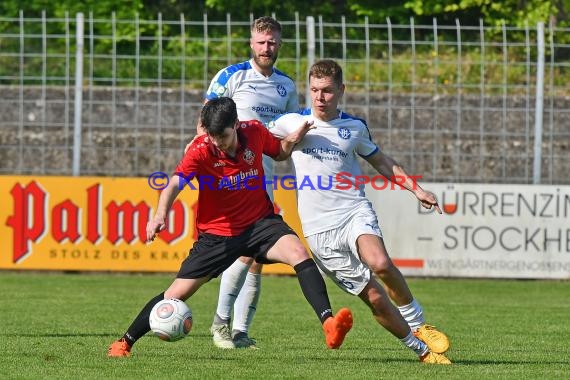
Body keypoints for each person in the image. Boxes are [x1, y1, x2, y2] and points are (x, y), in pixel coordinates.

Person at [107, 97, 353, 357]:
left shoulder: (255, 132)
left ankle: (328, 324)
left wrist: (292, 139)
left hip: (260, 224)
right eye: (212, 136)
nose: (217, 142)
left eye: (222, 136)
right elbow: (175, 184)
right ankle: (124, 342)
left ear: (236, 124)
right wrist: (159, 215)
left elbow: (279, 152)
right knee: (175, 293)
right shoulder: (201, 150)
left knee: (299, 254)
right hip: (218, 235)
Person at [268, 59, 451, 364]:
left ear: (341, 90)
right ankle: (421, 351)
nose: (319, 98)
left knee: (380, 262)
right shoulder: (290, 122)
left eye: (326, 91)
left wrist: (417, 190)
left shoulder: (354, 127)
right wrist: (289, 142)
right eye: (314, 90)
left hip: (353, 210)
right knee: (375, 298)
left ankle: (419, 324)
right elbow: (253, 142)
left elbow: (381, 161)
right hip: (319, 230)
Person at [199, 16, 299, 349]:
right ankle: (221, 324)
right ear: (251, 43)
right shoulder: (231, 76)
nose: (266, 47)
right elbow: (206, 123)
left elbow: (290, 132)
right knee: (244, 251)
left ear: (279, 45)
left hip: (265, 174)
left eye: (272, 42)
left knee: (257, 256)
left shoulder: (287, 86)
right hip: (233, 176)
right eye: (261, 41)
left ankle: (239, 331)